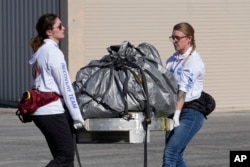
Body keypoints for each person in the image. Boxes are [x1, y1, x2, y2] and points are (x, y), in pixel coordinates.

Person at [29, 13, 85, 167]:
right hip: (51, 110)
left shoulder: (41, 51)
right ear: (49, 32)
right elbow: (66, 86)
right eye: (59, 26)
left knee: (64, 157)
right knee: (65, 158)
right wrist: (77, 116)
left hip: (42, 110)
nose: (64, 28)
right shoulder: (53, 52)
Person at [162, 22, 205, 167]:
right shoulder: (172, 59)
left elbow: (183, 90)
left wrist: (177, 114)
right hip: (175, 109)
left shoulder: (194, 62)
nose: (174, 41)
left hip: (190, 112)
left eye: (177, 38)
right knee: (177, 156)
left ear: (189, 38)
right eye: (172, 37)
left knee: (170, 153)